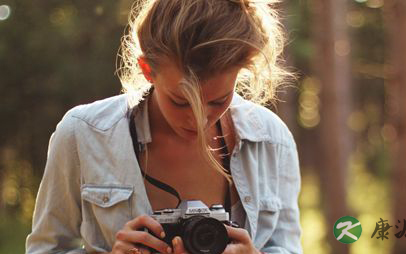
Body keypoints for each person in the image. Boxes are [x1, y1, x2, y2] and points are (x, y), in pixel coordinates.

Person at [26, 0, 302, 253]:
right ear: (147, 69)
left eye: (218, 101)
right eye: (181, 102)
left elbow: (288, 246)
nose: (198, 119)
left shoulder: (271, 140)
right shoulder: (84, 134)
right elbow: (45, 248)